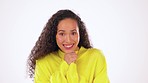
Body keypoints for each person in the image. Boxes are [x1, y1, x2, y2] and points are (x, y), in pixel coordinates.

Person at [27, 9, 110, 83]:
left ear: (79, 33)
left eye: (73, 33)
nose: (68, 40)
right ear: (54, 35)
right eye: (62, 34)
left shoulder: (96, 57)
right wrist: (65, 66)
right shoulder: (43, 63)